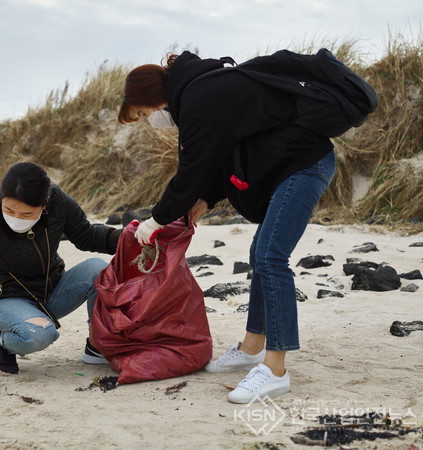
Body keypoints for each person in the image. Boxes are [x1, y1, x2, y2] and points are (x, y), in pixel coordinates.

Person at [118, 50, 338, 403]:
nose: (150, 121)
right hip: (288, 165)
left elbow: (191, 170)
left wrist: (156, 220)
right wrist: (207, 198)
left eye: (145, 114)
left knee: (271, 256)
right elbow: (224, 152)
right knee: (260, 252)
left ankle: (275, 371)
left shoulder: (198, 97)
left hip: (303, 165)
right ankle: (252, 348)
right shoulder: (201, 90)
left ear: (153, 99)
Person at [0, 162, 121, 374]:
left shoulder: (57, 201)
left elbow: (86, 235)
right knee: (39, 335)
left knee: (99, 269)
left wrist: (125, 238)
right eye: (9, 209)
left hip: (52, 291)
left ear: (45, 204)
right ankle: (2, 344)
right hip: (6, 300)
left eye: (27, 214)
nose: (16, 218)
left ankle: (97, 346)